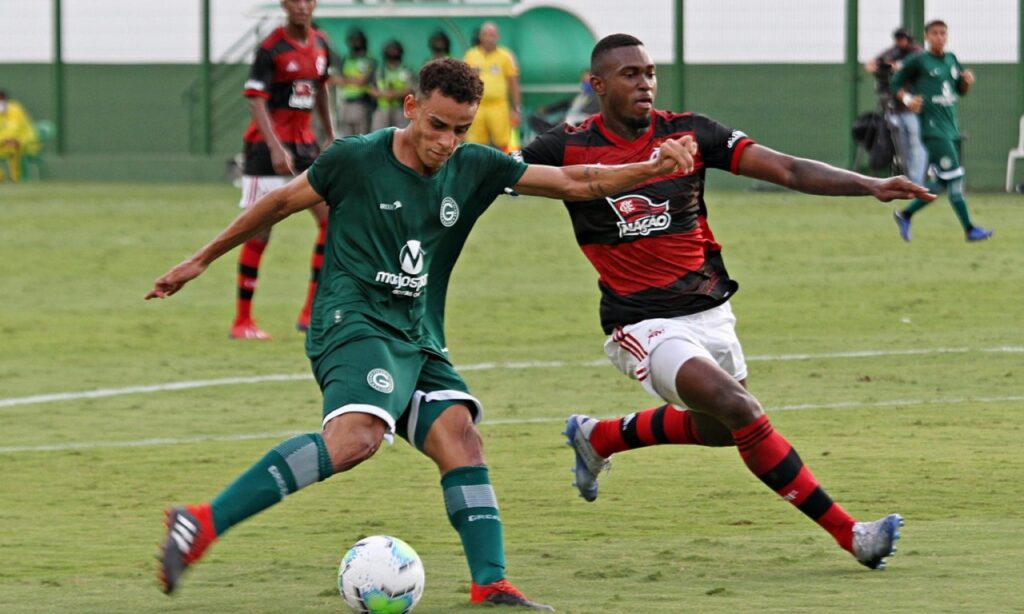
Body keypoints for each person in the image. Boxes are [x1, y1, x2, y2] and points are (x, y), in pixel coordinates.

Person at [147, 57, 697, 608]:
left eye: (461, 129)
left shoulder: (475, 165)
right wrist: (200, 259)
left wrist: (650, 168)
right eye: (437, 125)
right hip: (352, 320)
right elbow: (279, 202)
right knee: (356, 439)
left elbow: (576, 181)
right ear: (411, 108)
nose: (447, 141)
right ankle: (200, 523)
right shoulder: (355, 159)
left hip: (418, 332)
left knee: (461, 437)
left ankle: (491, 583)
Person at [519, 34, 933, 572]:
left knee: (721, 428)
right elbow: (497, 175)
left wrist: (870, 185)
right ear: (597, 85)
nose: (644, 82)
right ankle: (852, 533)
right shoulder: (565, 145)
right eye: (629, 74)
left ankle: (600, 436)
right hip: (639, 322)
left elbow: (785, 168)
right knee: (739, 408)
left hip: (708, 309)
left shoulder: (690, 131)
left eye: (649, 72)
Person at [232, 0, 334, 340]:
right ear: (284, 5)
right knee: (258, 230)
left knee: (330, 220)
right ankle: (242, 319)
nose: (302, 6)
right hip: (266, 149)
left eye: (308, 0)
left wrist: (331, 135)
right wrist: (275, 146)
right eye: (295, 1)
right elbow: (255, 99)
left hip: (304, 148)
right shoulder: (270, 48)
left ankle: (310, 312)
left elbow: (321, 91)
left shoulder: (320, 44)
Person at [891, 20, 993, 242]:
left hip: (951, 129)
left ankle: (905, 214)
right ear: (927, 37)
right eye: (935, 33)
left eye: (943, 33)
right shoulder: (919, 60)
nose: (940, 37)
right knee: (955, 177)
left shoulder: (951, 59)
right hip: (933, 130)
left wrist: (966, 81)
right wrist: (908, 99)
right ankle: (970, 229)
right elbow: (895, 83)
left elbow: (960, 91)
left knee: (940, 184)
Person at [865, 28, 926, 185]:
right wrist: (881, 66)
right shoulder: (893, 51)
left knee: (916, 144)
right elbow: (873, 64)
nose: (900, 42)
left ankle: (918, 181)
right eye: (898, 39)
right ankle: (910, 181)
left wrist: (898, 66)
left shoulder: (916, 51)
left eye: (903, 38)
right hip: (895, 106)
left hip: (913, 108)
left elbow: (915, 64)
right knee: (903, 147)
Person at [463, 22, 521, 152]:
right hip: (477, 106)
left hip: (499, 105)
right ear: (480, 36)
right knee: (474, 144)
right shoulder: (470, 55)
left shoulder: (506, 55)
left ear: (497, 36)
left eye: (492, 35)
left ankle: (509, 168)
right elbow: (464, 81)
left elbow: (514, 82)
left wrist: (517, 108)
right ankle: (478, 170)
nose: (489, 38)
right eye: (486, 34)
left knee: (504, 142)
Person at [333, 28, 377, 136]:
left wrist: (345, 79)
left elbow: (362, 80)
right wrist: (352, 79)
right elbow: (335, 79)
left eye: (357, 40)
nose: (354, 43)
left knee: (363, 137)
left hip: (361, 103)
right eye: (352, 40)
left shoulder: (368, 59)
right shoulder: (346, 59)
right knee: (346, 138)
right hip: (345, 103)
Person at [370, 40, 415, 131]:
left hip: (401, 110)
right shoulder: (379, 71)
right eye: (390, 50)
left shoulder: (406, 70)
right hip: (382, 109)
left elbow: (411, 90)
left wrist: (393, 94)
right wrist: (384, 95)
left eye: (395, 50)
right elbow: (371, 90)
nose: (393, 52)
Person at [0, 90, 40, 183]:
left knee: (13, 146)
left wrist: (6, 140)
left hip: (26, 142)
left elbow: (14, 130)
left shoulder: (15, 110)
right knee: (10, 145)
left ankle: (16, 179)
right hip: (4, 144)